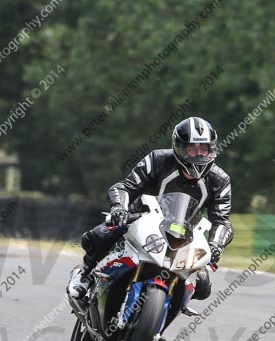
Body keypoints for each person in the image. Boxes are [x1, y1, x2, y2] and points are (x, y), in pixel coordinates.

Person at [67, 116, 234, 300]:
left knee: (203, 288)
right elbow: (124, 187)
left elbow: (222, 221)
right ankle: (84, 274)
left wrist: (216, 245)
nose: (199, 154)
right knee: (99, 235)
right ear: (179, 147)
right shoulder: (157, 159)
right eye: (192, 149)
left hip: (184, 236)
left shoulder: (220, 180)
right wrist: (119, 209)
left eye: (204, 148)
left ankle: (164, 314)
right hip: (141, 220)